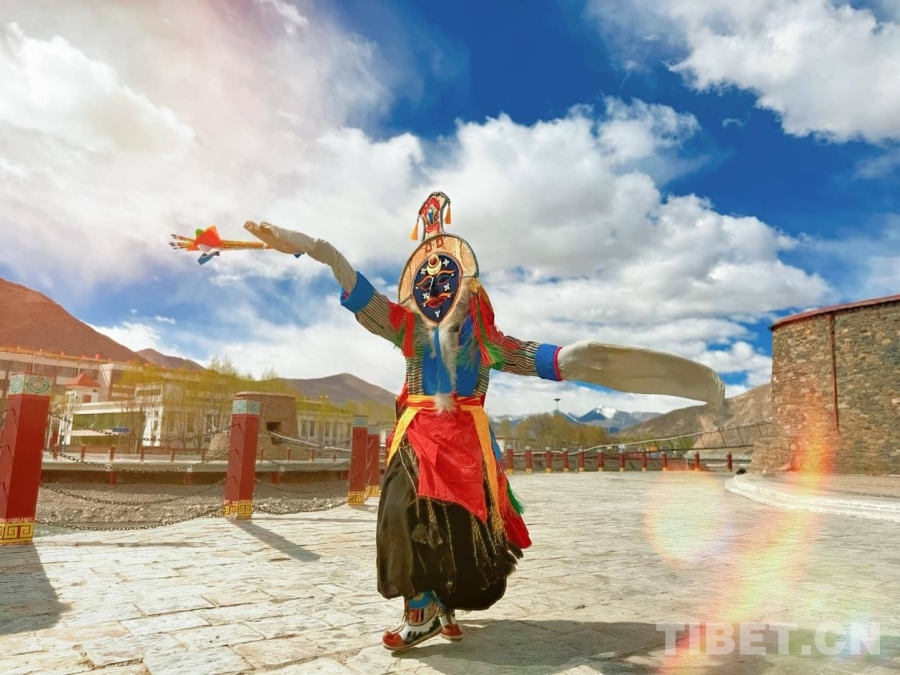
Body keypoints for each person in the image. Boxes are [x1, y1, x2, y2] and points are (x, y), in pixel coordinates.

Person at [246, 191, 724, 651]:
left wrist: (576, 358)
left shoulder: (488, 344)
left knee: (457, 528)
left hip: (464, 445)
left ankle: (443, 605)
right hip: (416, 437)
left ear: (470, 301)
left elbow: (541, 358)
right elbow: (359, 288)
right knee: (399, 511)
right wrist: (317, 248)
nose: (438, 296)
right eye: (431, 288)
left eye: (449, 290)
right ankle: (420, 610)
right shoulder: (408, 328)